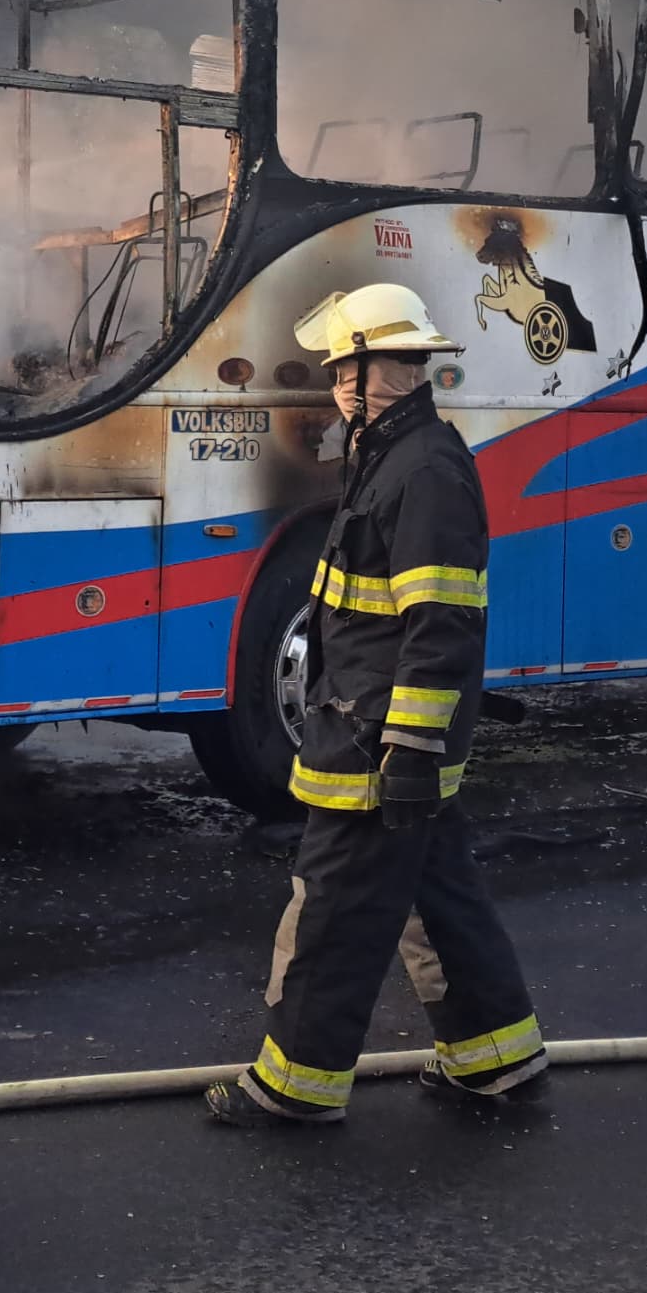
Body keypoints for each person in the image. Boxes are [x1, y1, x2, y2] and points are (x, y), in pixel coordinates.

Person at [203, 283, 547, 1129]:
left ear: (370, 371)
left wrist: (411, 751)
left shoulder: (422, 468)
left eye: (339, 368)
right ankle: (496, 1058)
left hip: (375, 742)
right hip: (368, 726)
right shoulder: (392, 454)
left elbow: (443, 626)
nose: (332, 385)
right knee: (440, 899)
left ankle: (293, 1088)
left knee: (332, 913)